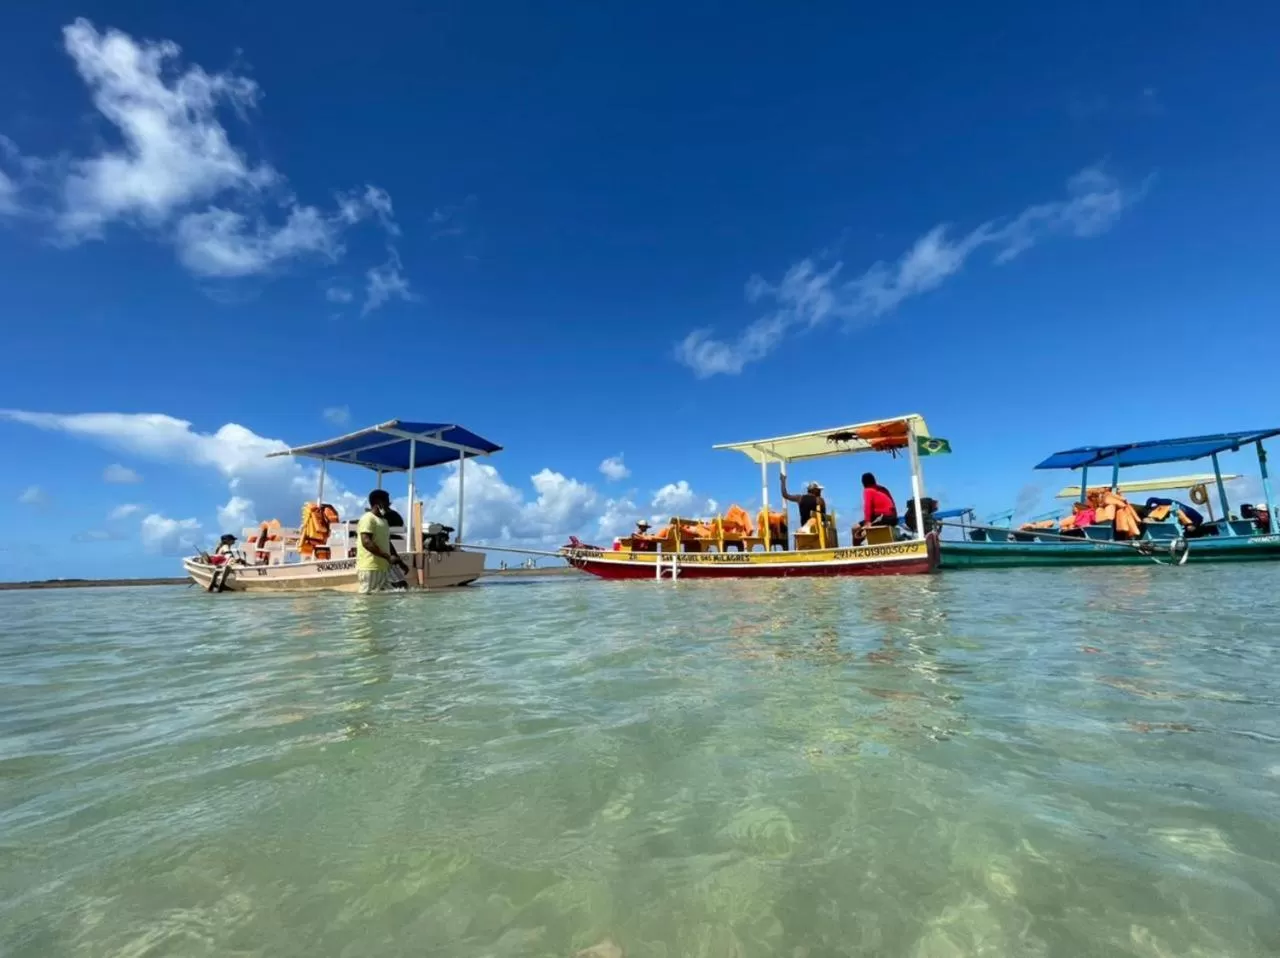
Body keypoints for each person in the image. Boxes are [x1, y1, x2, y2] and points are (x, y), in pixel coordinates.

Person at [357, 489, 409, 593]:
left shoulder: (384, 521)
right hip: (371, 568)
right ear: (379, 503)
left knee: (398, 593)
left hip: (384, 568)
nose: (389, 506)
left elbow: (387, 543)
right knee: (366, 602)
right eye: (387, 503)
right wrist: (388, 557)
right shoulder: (368, 518)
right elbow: (366, 542)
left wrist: (400, 562)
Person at [852, 472, 898, 544]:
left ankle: (856, 550)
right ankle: (857, 548)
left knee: (862, 531)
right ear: (874, 480)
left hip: (885, 517)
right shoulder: (882, 489)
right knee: (855, 527)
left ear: (863, 483)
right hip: (890, 517)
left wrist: (868, 522)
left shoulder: (868, 490)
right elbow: (892, 503)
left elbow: (867, 506)